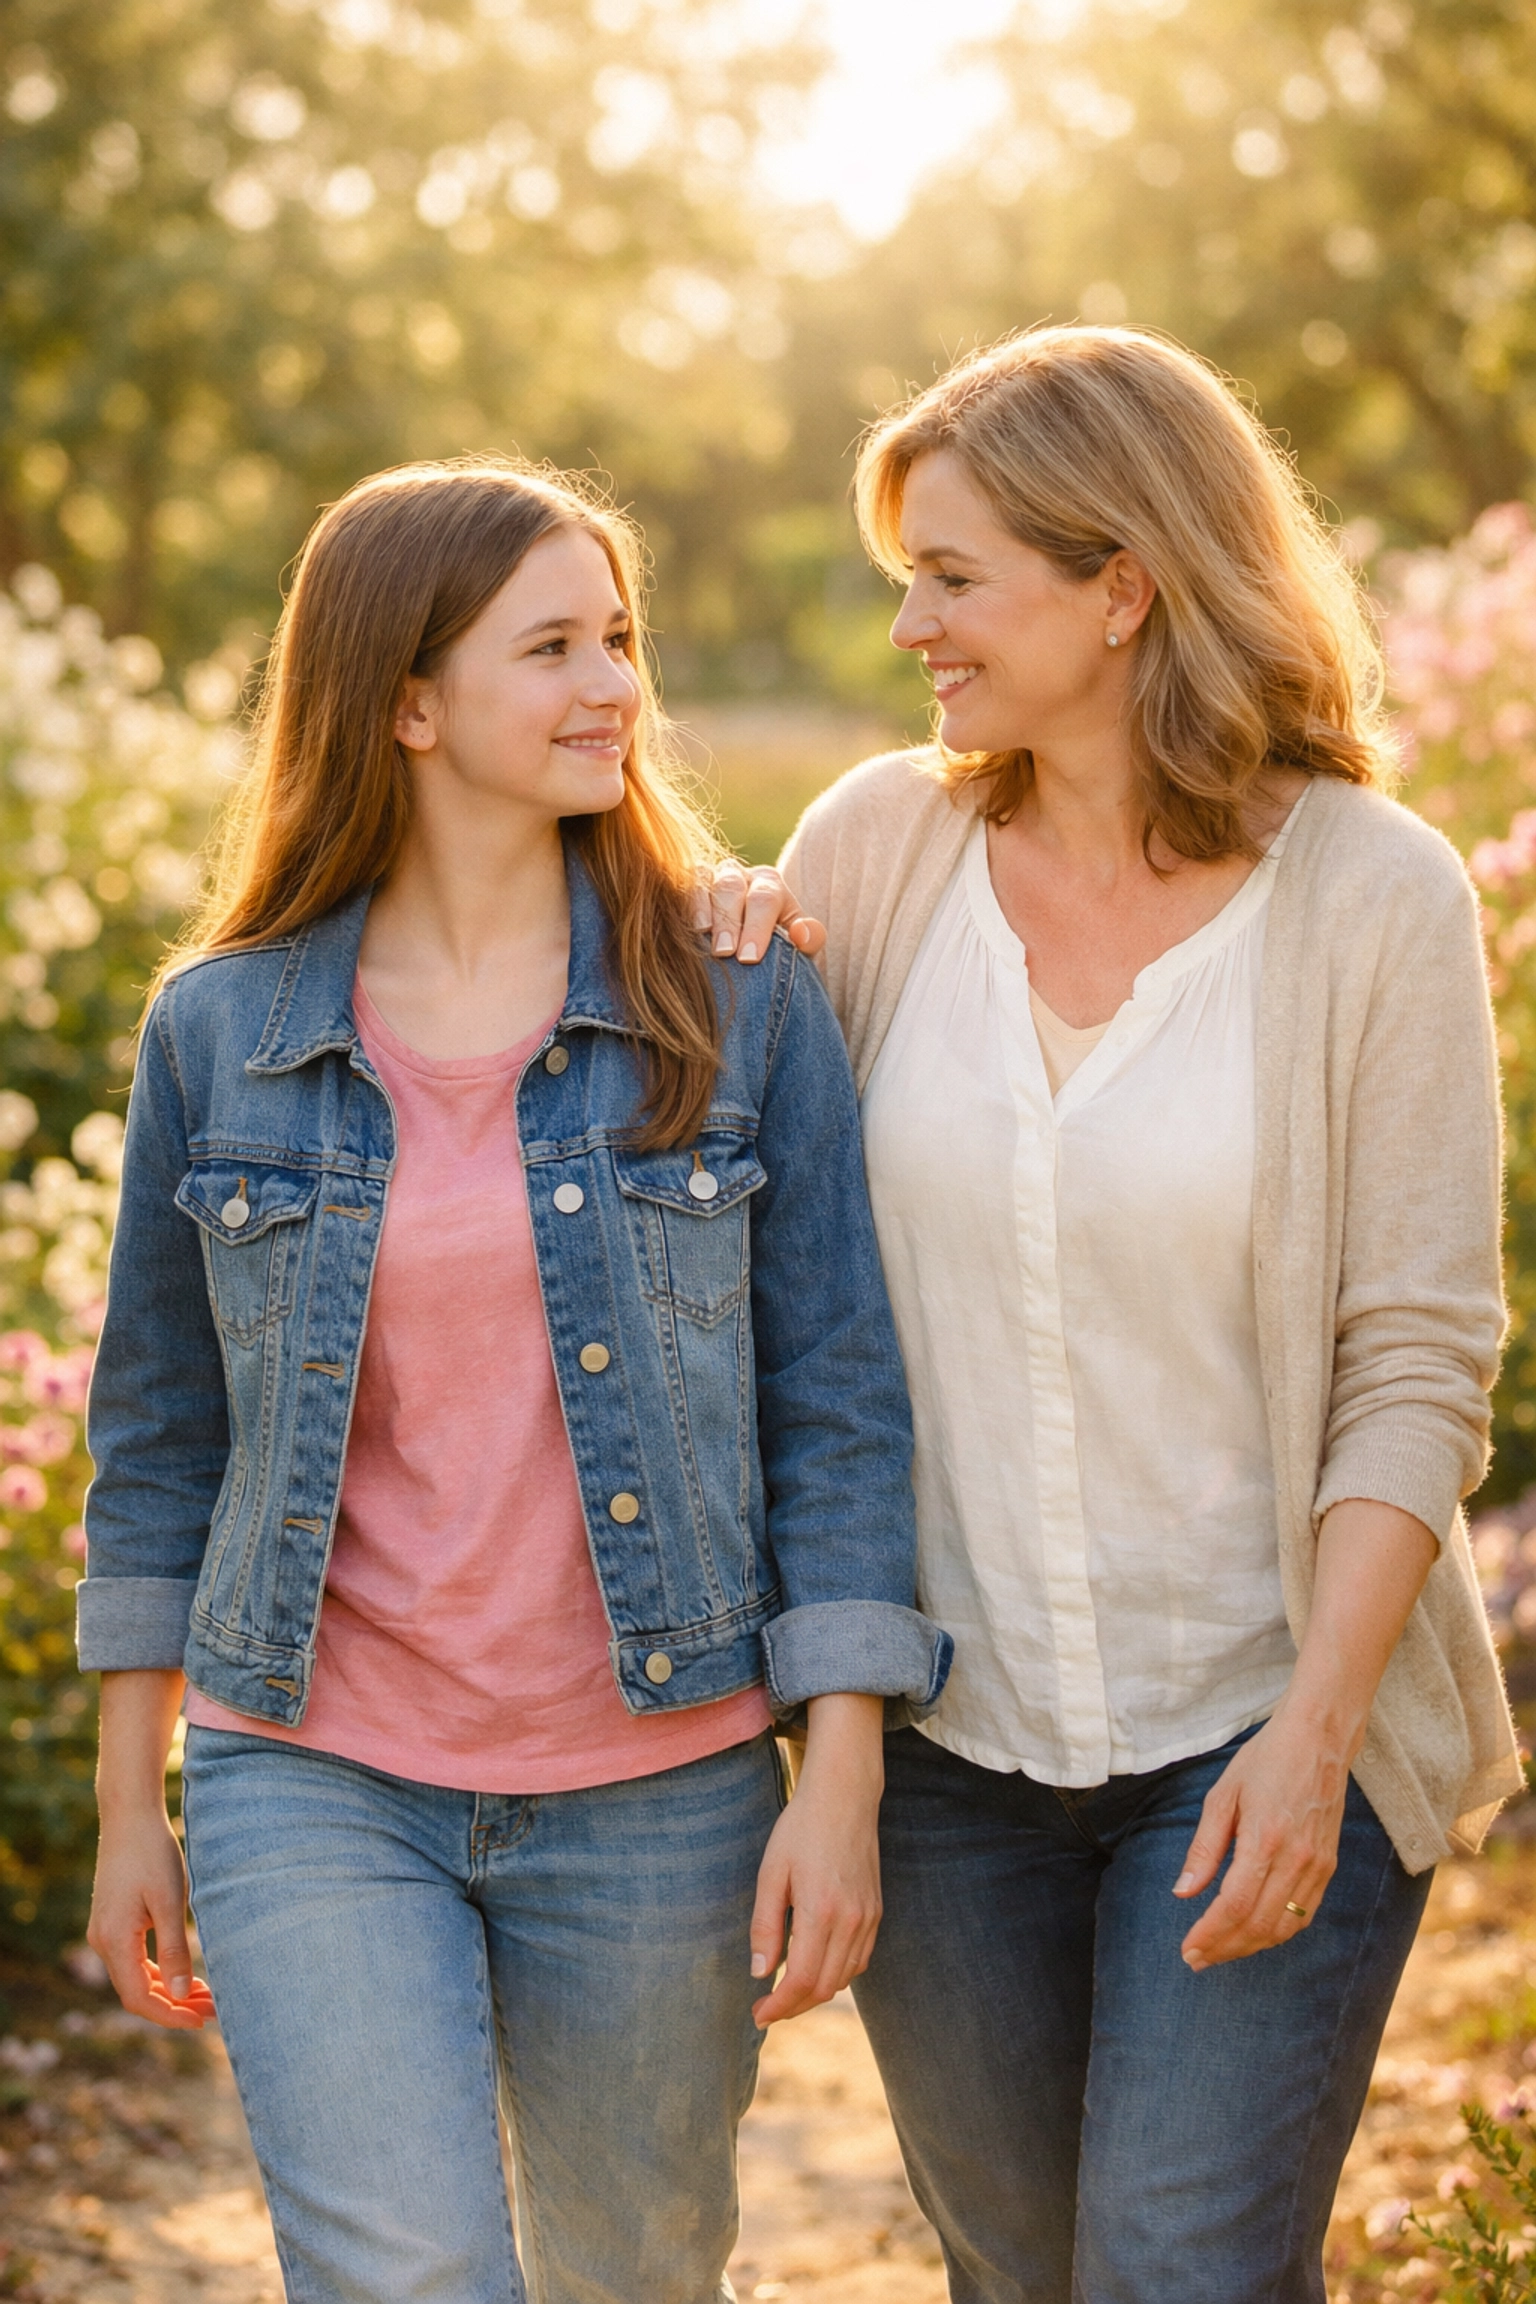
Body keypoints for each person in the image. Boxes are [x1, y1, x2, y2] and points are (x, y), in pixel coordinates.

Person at [77, 457, 950, 2304]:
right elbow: (162, 1435)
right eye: (549, 647)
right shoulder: (222, 1031)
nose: (614, 685)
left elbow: (839, 1399)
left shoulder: (736, 1000)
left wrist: (841, 1764)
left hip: (659, 1779)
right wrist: (124, 1802)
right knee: (404, 2274)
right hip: (309, 1766)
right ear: (405, 699)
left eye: (617, 637)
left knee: (632, 2272)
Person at [712, 325, 1522, 2303]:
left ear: (1124, 585)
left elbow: (1417, 1360)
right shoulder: (874, 855)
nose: (913, 627)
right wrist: (701, 952)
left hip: (1265, 1720)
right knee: (1018, 2269)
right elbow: (773, 1293)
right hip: (951, 1746)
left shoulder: (1373, 896)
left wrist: (1317, 1733)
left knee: (1180, 2264)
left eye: (955, 576)